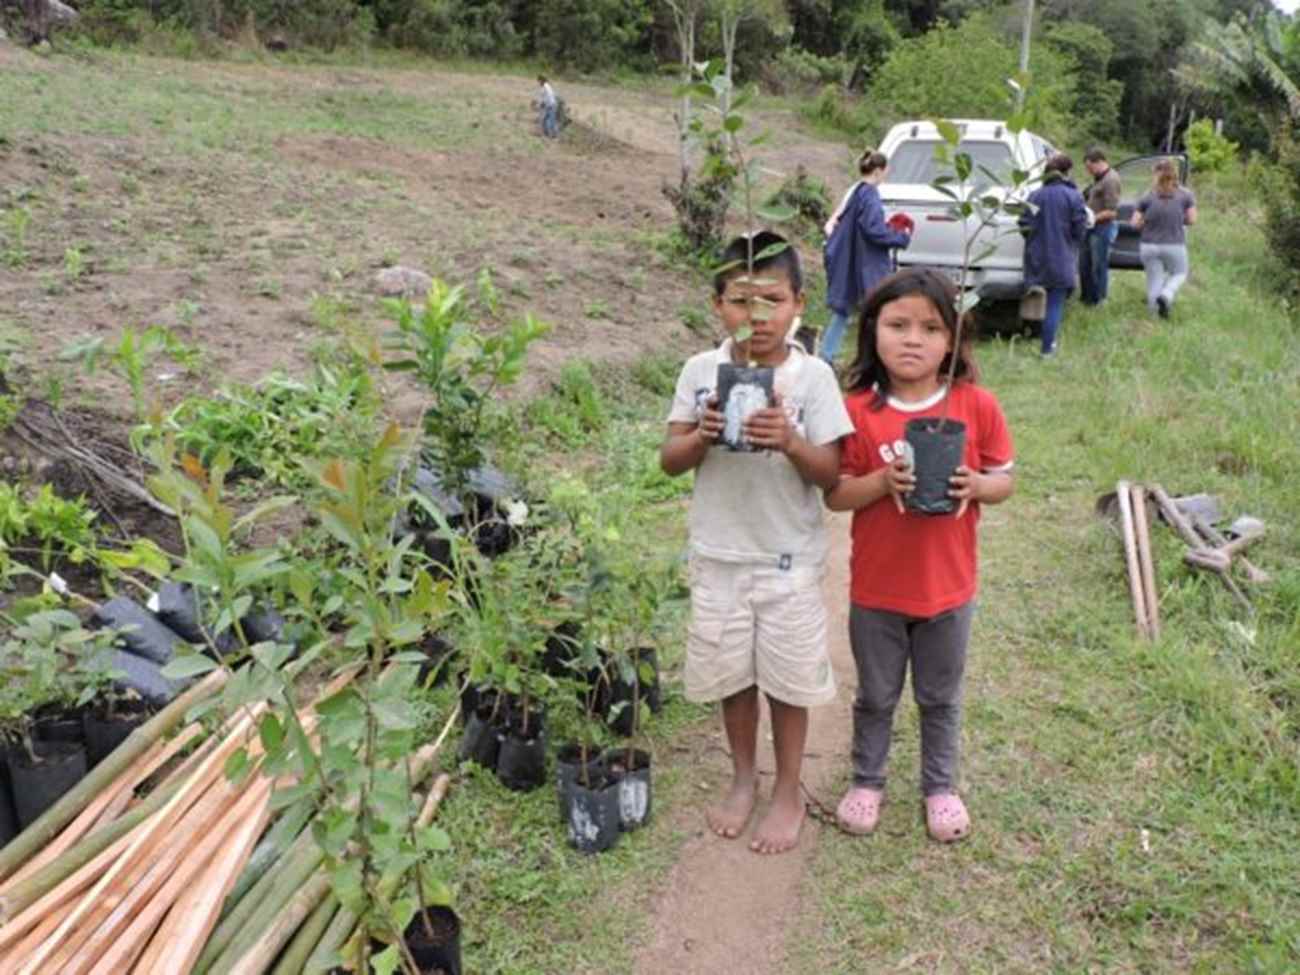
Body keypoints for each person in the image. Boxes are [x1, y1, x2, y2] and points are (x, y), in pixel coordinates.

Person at [661, 230, 854, 854]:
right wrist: (703, 435)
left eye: (773, 299)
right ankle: (744, 777)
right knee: (733, 678)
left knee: (789, 683)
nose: (758, 315)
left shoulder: (812, 377)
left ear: (799, 303)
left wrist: (790, 441)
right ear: (717, 304)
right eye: (742, 300)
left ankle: (789, 788)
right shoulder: (700, 372)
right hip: (719, 557)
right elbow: (669, 459)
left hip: (786, 562)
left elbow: (831, 473)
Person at [825, 268, 1014, 843]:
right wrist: (882, 482)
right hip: (877, 590)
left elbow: (1004, 480)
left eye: (931, 328)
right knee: (876, 694)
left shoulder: (975, 406)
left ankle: (940, 787)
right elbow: (836, 494)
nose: (913, 339)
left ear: (953, 339)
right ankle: (867, 781)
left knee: (940, 696)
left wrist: (977, 486)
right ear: (872, 331)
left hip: (948, 590)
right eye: (897, 325)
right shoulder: (857, 411)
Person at [821, 150, 912, 366]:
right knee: (878, 308)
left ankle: (827, 355)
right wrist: (900, 236)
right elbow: (873, 230)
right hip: (865, 263)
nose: (887, 174)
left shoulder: (856, 191)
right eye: (886, 170)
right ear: (878, 171)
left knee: (844, 311)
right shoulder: (870, 195)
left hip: (851, 260)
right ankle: (873, 358)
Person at [1021, 153, 1089, 357]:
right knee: (1055, 303)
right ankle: (1047, 348)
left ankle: (1032, 334)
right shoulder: (1073, 196)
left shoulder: (1034, 195)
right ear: (1066, 173)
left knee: (1037, 298)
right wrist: (1074, 242)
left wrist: (1033, 242)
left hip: (1036, 257)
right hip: (1062, 257)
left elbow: (1023, 224)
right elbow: (1080, 227)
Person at [1132, 158, 1197, 318]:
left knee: (1154, 280)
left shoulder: (1147, 196)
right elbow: (1192, 220)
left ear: (1156, 174)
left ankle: (1154, 318)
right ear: (1175, 174)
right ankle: (1167, 295)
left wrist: (1146, 220)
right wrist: (1177, 218)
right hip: (1174, 245)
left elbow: (1134, 223)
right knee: (1180, 273)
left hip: (1148, 246)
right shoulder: (1186, 195)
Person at [1078, 147, 1122, 306]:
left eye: (1090, 167)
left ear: (1099, 162)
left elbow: (1112, 211)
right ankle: (1086, 298)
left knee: (1098, 265)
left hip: (1102, 228)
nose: (1089, 171)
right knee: (1084, 264)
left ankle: (1100, 300)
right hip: (1090, 228)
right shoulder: (1099, 178)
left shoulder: (1111, 180)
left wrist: (1092, 218)